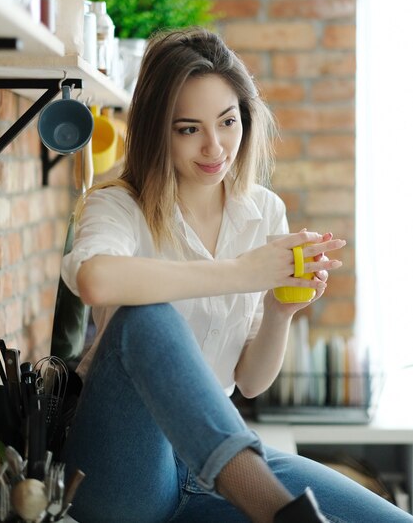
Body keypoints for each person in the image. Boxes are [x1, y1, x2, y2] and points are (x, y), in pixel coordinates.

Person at [61, 28, 412, 523]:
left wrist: (278, 311)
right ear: (157, 130)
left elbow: (249, 382)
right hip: (123, 470)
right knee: (145, 320)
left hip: (214, 465)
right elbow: (96, 280)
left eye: (227, 122)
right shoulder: (118, 204)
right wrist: (242, 271)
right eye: (188, 129)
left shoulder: (263, 211)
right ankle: (276, 512)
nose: (214, 148)